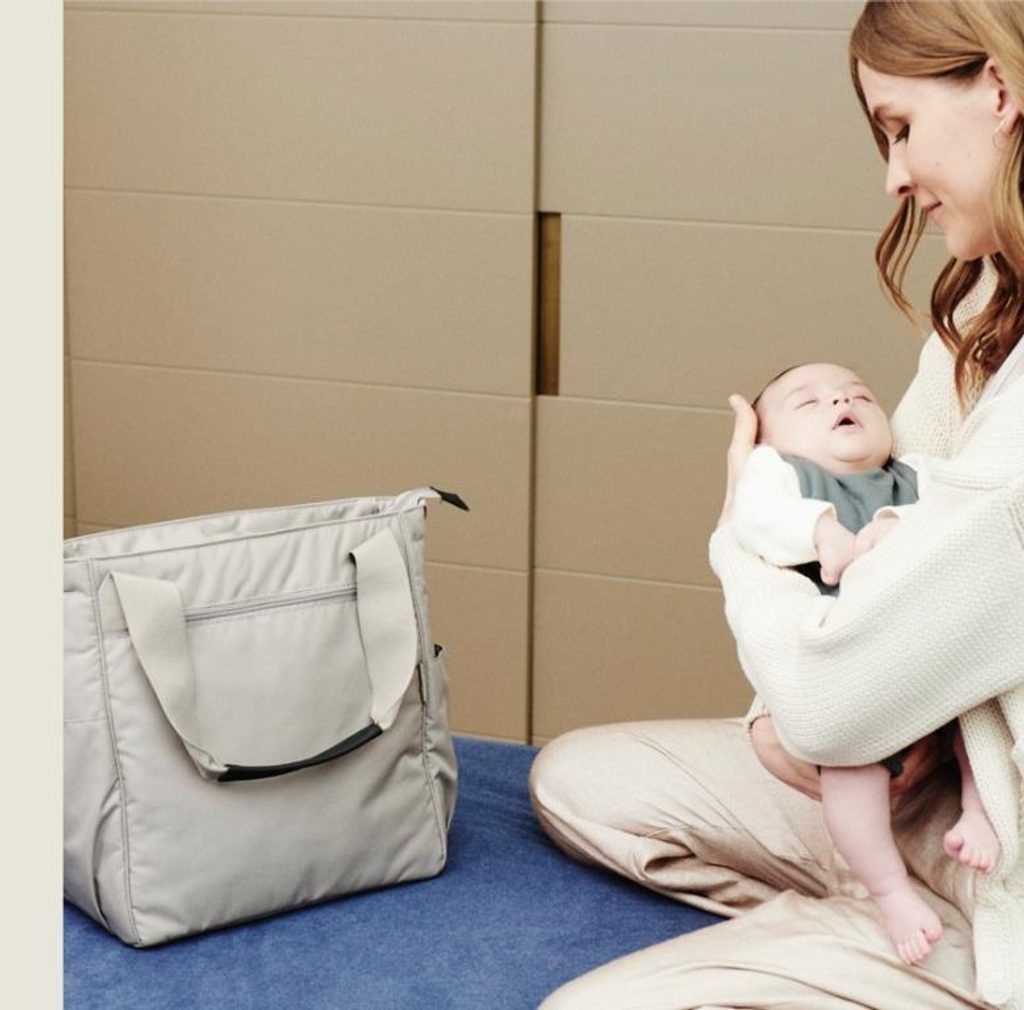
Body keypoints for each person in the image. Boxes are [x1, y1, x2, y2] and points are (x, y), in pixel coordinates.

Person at [529, 2, 1024, 1008]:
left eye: (899, 128)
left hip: (995, 840)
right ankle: (871, 896)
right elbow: (884, 521)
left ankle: (898, 933)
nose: (893, 178)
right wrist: (780, 721)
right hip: (937, 784)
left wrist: (734, 538)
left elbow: (830, 703)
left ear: (1002, 91)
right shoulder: (987, 303)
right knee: (574, 779)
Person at [732, 360, 1000, 965]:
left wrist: (896, 527)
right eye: (809, 403)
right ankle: (889, 891)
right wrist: (822, 532)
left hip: (935, 655)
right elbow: (753, 518)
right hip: (850, 670)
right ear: (766, 441)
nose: (840, 402)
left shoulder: (919, 474)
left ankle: (980, 812)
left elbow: (963, 518)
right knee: (851, 768)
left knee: (982, 719)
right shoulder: (779, 474)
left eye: (859, 395)